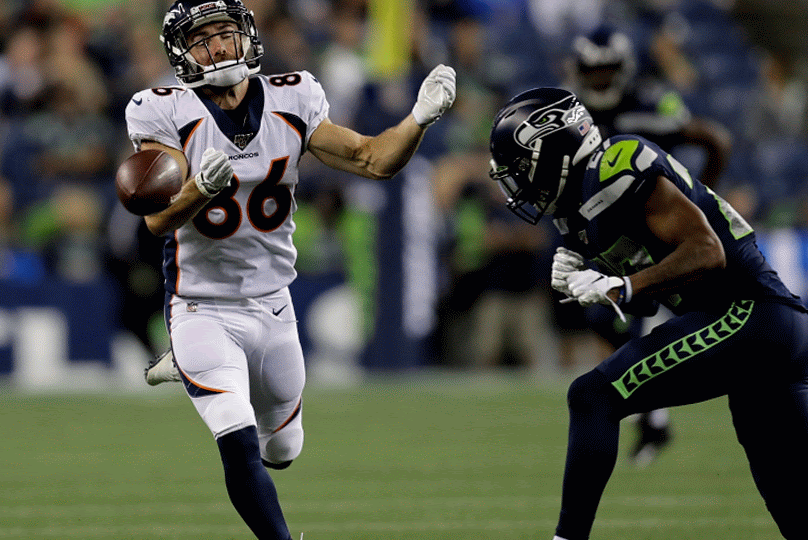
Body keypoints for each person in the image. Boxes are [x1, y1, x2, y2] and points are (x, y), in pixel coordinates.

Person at [124, 1, 455, 538]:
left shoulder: (293, 96)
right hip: (200, 306)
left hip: (273, 304)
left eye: (225, 34)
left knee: (282, 449)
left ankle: (185, 366)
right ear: (181, 54)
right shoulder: (164, 110)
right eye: (202, 39)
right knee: (236, 440)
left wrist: (417, 119)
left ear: (245, 36)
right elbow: (158, 220)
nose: (218, 47)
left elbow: (374, 160)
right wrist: (197, 190)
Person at [488, 87, 808, 540]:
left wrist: (622, 283)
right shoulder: (582, 207)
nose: (517, 184)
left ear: (554, 150)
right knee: (797, 512)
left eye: (521, 169)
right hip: (767, 330)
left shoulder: (617, 162)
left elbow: (707, 251)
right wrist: (599, 279)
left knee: (593, 396)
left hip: (749, 313)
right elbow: (648, 302)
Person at [558, 24, 735, 464]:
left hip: (661, 233)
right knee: (610, 325)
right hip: (608, 236)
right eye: (592, 72)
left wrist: (705, 197)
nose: (599, 81)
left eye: (607, 71)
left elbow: (714, 139)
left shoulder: (651, 104)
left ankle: (654, 417)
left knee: (673, 318)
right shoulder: (573, 114)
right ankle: (649, 420)